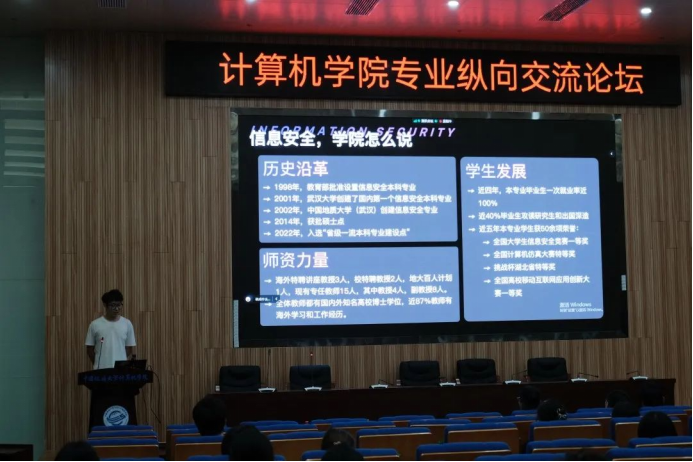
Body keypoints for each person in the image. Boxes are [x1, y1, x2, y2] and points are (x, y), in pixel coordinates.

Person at [85, 290, 136, 370]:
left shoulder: (127, 323)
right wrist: (98, 363)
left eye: (119, 305)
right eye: (112, 305)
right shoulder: (95, 324)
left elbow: (129, 348)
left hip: (121, 370)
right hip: (101, 370)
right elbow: (89, 349)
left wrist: (120, 361)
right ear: (105, 305)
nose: (116, 308)